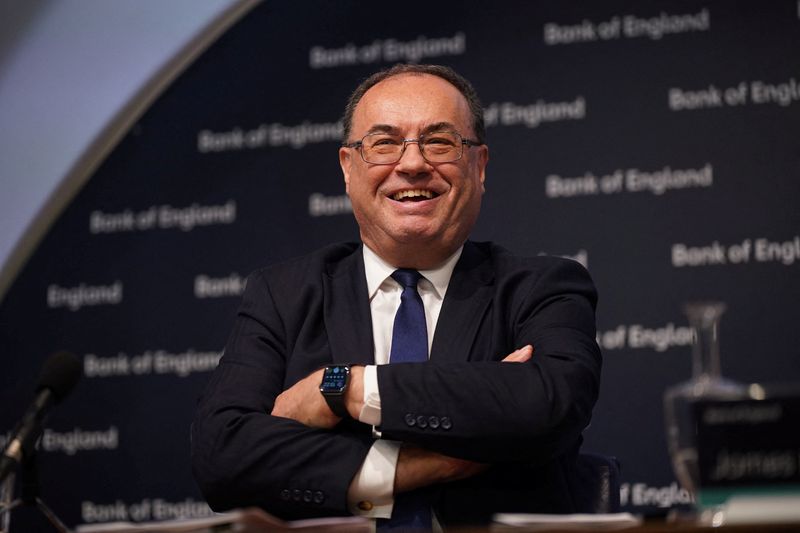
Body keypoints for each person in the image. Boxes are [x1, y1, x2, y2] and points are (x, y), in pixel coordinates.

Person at [191, 64, 601, 528]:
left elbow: (547, 403)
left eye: (440, 142)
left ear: (479, 166)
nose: (411, 163)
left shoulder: (541, 287)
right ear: (348, 168)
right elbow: (222, 456)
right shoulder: (284, 296)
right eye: (384, 143)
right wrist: (422, 465)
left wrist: (345, 388)